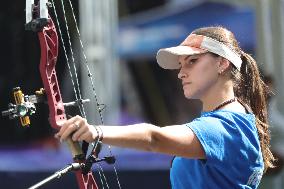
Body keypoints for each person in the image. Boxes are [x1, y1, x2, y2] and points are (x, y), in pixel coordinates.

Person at [55, 26, 275, 189]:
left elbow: (154, 138)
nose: (181, 72)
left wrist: (97, 132)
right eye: (181, 65)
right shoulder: (235, 119)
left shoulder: (227, 126)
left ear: (222, 63)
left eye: (192, 61)